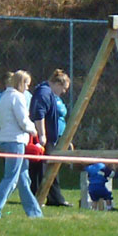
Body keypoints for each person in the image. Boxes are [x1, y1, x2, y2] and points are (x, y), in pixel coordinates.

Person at [0, 70, 43, 218]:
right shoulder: (17, 97)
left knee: (23, 179)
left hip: (6, 139)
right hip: (15, 142)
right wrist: (34, 131)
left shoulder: (5, 96)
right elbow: (23, 121)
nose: (28, 88)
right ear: (21, 83)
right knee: (10, 179)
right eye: (27, 85)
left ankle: (35, 213)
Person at [30, 68, 72, 207]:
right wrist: (42, 135)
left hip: (49, 137)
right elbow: (39, 114)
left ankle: (54, 198)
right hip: (44, 137)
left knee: (49, 167)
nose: (64, 92)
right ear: (57, 84)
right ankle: (38, 197)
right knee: (41, 168)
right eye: (64, 88)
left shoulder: (50, 94)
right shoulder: (44, 92)